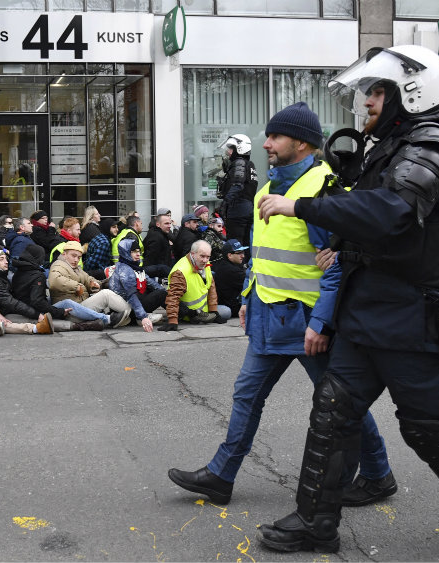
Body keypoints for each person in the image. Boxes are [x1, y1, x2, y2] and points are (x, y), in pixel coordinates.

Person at [253, 46, 439, 559]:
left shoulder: (429, 148)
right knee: (334, 410)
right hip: (368, 310)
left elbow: (391, 213)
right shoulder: (389, 147)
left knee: (430, 429)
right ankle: (315, 523)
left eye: (377, 91)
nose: (368, 102)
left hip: (411, 314)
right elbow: (377, 226)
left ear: (412, 91)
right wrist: (339, 244)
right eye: (369, 91)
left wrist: (303, 205)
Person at [169, 101, 394, 515]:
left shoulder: (321, 190)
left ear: (302, 143)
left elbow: (336, 266)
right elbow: (264, 253)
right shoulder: (269, 186)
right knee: (247, 395)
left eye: (275, 136)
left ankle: (378, 473)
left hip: (308, 323)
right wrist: (246, 299)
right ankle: (222, 475)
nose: (266, 142)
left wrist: (322, 323)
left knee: (340, 403)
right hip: (268, 316)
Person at [48, 241, 130, 327]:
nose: (76, 260)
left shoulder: (75, 268)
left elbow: (88, 278)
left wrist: (96, 284)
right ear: (64, 254)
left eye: (79, 257)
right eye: (73, 256)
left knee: (106, 293)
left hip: (80, 306)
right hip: (71, 312)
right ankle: (132, 313)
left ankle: (128, 315)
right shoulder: (58, 265)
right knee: (106, 294)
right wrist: (76, 286)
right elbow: (54, 281)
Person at [159, 240, 226, 329]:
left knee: (226, 311)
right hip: (189, 314)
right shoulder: (181, 271)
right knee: (227, 311)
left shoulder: (206, 264)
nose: (205, 260)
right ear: (193, 254)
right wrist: (172, 320)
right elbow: (173, 297)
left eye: (208, 257)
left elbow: (211, 288)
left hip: (204, 312)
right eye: (202, 256)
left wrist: (214, 311)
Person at [109, 239, 165, 331]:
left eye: (139, 251)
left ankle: (178, 312)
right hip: (128, 308)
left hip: (133, 305)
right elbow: (131, 296)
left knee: (159, 290)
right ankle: (141, 317)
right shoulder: (125, 270)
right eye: (134, 252)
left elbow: (150, 282)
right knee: (161, 294)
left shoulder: (133, 266)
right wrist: (143, 317)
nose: (138, 254)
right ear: (126, 253)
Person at [217, 134, 258, 246]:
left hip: (238, 210)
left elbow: (237, 185)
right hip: (247, 209)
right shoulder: (250, 165)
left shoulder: (239, 163)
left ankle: (237, 264)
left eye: (231, 148)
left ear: (240, 148)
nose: (228, 152)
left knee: (235, 245)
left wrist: (224, 204)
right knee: (246, 244)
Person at [213, 239, 248, 314]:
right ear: (229, 255)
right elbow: (250, 284)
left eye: (243, 252)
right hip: (230, 307)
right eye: (239, 253)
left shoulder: (225, 264)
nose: (243, 256)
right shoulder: (231, 270)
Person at [143, 213, 174, 279]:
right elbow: (150, 260)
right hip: (157, 277)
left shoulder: (162, 235)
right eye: (166, 223)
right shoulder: (156, 237)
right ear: (158, 224)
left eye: (170, 223)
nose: (169, 226)